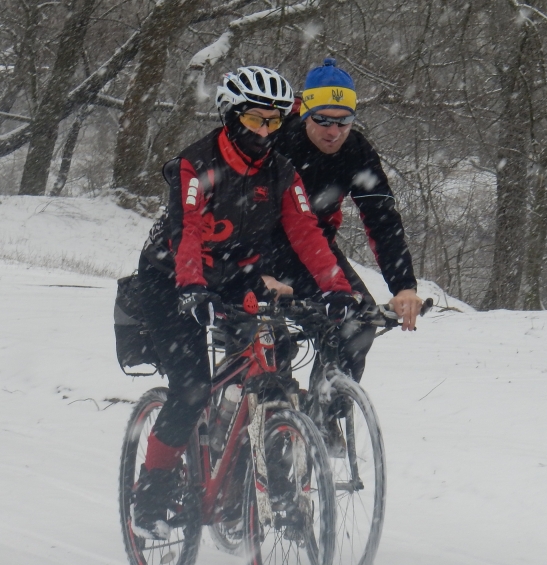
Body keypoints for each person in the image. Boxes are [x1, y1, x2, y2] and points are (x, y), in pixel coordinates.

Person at [132, 65, 356, 539]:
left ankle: (261, 485)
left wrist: (336, 288)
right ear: (231, 117)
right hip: (170, 280)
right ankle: (150, 494)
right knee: (192, 389)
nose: (265, 131)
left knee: (272, 369)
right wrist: (192, 289)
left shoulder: (281, 172)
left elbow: (306, 233)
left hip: (235, 277)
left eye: (275, 122)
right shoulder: (197, 164)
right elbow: (187, 230)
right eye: (256, 119)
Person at [271, 57, 423, 385]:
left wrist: (403, 286)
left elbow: (382, 219)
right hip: (258, 249)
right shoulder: (278, 141)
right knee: (271, 342)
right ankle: (262, 405)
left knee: (357, 325)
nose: (333, 132)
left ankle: (328, 406)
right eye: (323, 120)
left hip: (316, 252)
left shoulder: (356, 150)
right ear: (305, 113)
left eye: (344, 122)